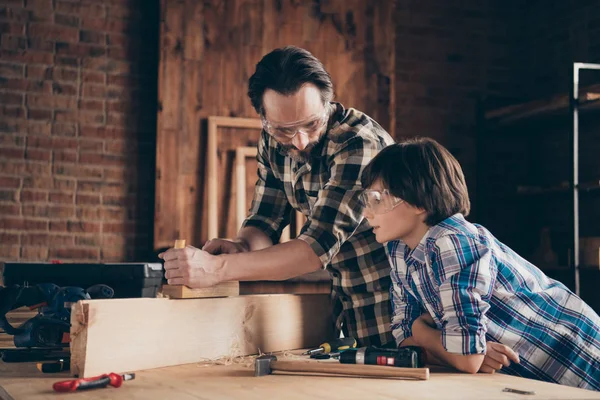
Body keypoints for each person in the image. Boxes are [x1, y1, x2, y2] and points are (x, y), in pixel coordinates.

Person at [160, 46, 396, 347]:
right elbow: (264, 219)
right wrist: (241, 247)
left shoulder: (358, 144)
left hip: (395, 304)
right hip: (345, 303)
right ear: (264, 118)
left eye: (312, 124)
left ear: (327, 103)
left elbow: (315, 249)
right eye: (284, 130)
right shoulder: (272, 143)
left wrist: (217, 269)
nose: (299, 141)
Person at [359, 137, 600, 390]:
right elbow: (403, 338)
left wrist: (425, 333)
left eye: (376, 199)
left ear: (418, 201)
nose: (366, 213)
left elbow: (464, 357)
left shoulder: (453, 243)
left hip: (580, 362)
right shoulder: (398, 249)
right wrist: (454, 346)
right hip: (527, 377)